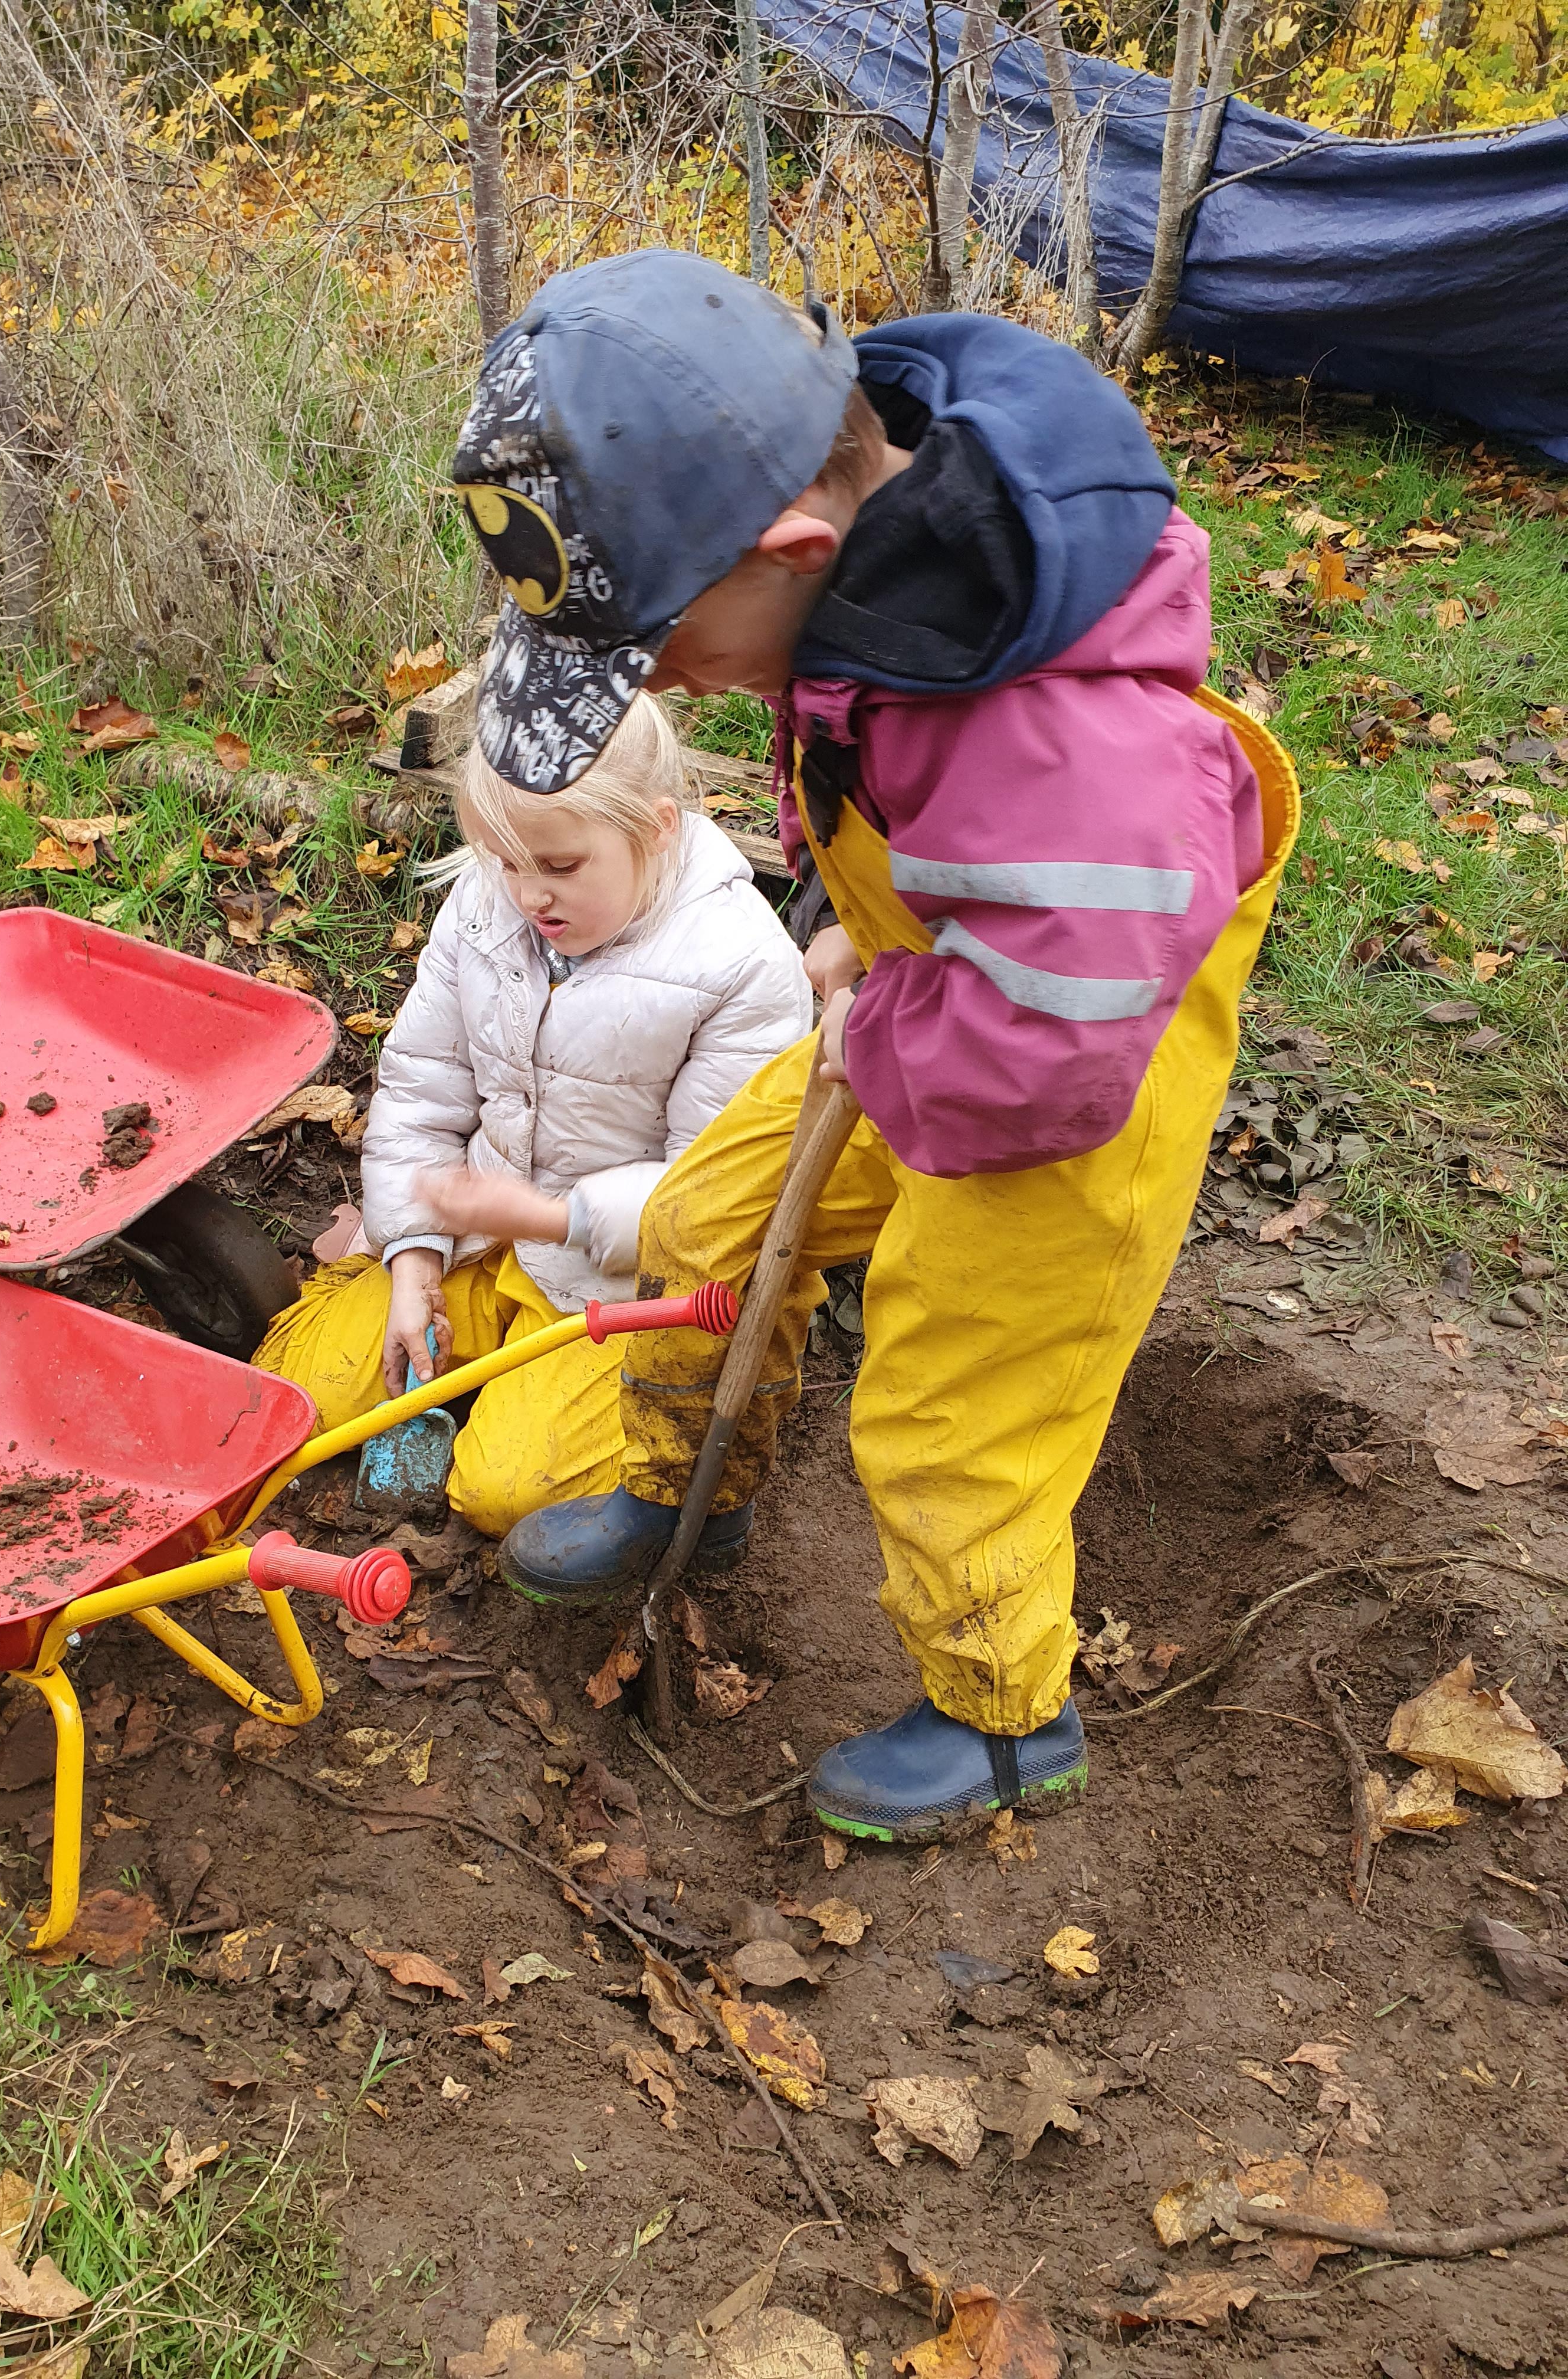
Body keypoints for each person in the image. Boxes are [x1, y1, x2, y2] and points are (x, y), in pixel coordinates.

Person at [455, 250, 1299, 1841]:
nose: (659, 681)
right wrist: (864, 926)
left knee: (947, 1411)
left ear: (792, 549)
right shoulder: (870, 572)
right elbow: (902, 792)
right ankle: (686, 1493)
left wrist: (893, 1009)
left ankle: (1002, 1713)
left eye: (658, 647)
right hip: (944, 999)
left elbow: (1057, 1042)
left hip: (1069, 1086)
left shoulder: (1065, 738)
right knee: (706, 1226)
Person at [253, 692, 812, 1541]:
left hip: (622, 1283)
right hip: (482, 1240)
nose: (528, 895)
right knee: (300, 1393)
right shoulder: (487, 904)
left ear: (657, 828)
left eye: (560, 866)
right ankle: (469, 1355)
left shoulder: (742, 967)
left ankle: (593, 1415)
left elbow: (716, 1197)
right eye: (505, 861)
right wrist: (412, 1258)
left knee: (505, 1492)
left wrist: (554, 1218)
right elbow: (423, 1086)